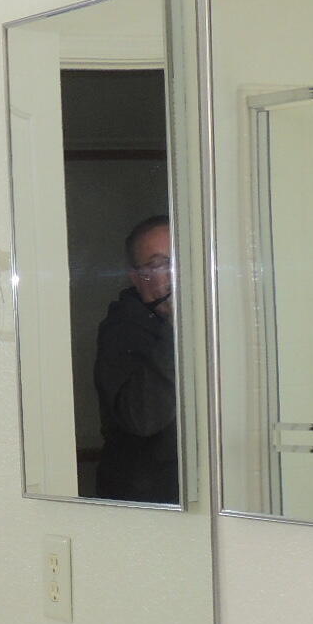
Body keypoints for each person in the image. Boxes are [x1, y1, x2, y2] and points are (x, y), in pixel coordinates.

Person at [91, 214, 180, 504]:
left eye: (179, 260)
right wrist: (179, 325)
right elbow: (143, 418)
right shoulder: (121, 330)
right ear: (136, 277)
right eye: (158, 264)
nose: (174, 274)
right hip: (142, 504)